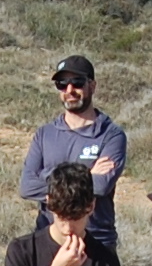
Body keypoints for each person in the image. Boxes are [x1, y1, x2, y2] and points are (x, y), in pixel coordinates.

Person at [18, 55, 127, 255]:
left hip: (95, 242)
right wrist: (87, 174)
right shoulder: (45, 134)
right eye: (62, 84)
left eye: (77, 83)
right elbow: (27, 187)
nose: (70, 90)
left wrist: (47, 176)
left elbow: (101, 186)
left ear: (92, 86)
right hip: (48, 240)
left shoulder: (111, 135)